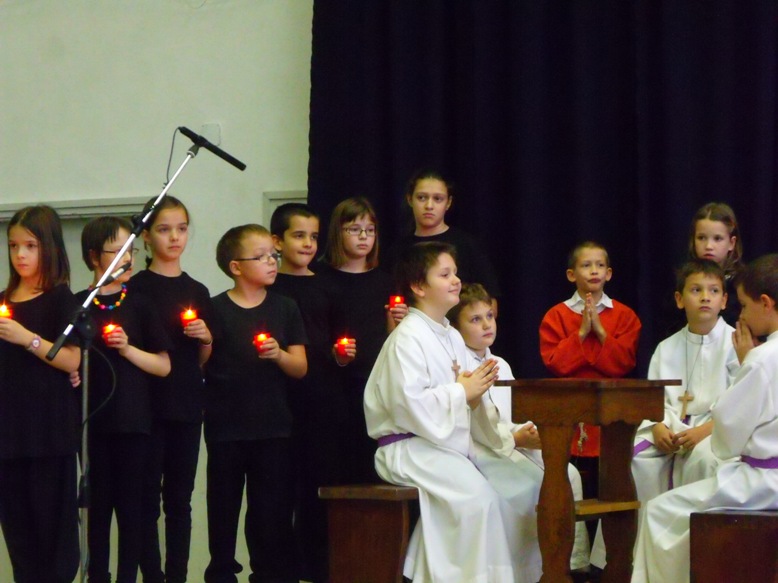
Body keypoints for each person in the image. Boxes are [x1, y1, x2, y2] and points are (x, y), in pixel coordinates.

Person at [364, 241, 542, 583]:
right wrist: (462, 391)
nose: (456, 280)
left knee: (507, 493)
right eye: (445, 274)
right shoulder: (407, 338)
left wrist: (479, 405)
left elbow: (469, 399)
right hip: (409, 446)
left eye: (455, 273)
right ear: (419, 286)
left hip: (442, 444)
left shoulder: (451, 336)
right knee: (478, 501)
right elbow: (408, 405)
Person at [632, 253, 778, 583]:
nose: (742, 314)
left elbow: (727, 441)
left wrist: (746, 363)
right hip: (764, 478)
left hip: (762, 483)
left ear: (766, 303)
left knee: (657, 511)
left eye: (744, 305)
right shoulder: (762, 355)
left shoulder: (761, 359)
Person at [591, 259, 740, 570]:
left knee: (705, 462)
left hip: (711, 432)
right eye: (696, 290)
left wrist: (702, 432)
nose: (705, 297)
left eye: (713, 291)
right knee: (634, 462)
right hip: (670, 429)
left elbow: (738, 404)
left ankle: (695, 562)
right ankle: (629, 560)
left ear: (725, 300)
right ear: (679, 299)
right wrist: (658, 425)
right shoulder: (666, 347)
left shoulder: (735, 345)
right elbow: (654, 401)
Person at [449, 282, 591, 576]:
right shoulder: (458, 367)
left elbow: (512, 413)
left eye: (489, 316)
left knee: (569, 475)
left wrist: (531, 433)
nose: (486, 325)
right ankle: (525, 571)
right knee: (531, 488)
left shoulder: (500, 363)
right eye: (475, 319)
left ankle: (569, 565)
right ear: (456, 327)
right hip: (482, 453)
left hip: (511, 445)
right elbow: (470, 423)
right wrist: (513, 438)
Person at [204, 224, 307, 583]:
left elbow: (300, 367)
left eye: (273, 255)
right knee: (223, 507)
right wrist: (203, 341)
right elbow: (201, 364)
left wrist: (278, 354)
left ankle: (268, 574)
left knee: (269, 512)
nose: (272, 262)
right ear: (236, 267)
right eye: (261, 257)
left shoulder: (285, 307)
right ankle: (221, 572)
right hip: (226, 427)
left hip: (273, 427)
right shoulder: (215, 309)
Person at [78, 216, 172, 583]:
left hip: (134, 424)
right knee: (97, 510)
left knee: (133, 512)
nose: (127, 259)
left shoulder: (141, 304)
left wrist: (128, 349)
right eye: (116, 252)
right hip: (91, 426)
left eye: (130, 251)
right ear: (94, 257)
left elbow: (164, 366)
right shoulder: (78, 306)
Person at [131, 196, 213, 583]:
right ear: (146, 236)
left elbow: (202, 360)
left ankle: (177, 577)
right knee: (145, 500)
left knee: (180, 500)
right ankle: (152, 576)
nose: (175, 237)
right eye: (164, 230)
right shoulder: (135, 289)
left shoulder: (197, 290)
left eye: (181, 229)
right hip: (145, 406)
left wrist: (206, 337)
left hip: (186, 404)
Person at [0, 205, 81, 583]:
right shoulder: (3, 300)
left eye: (30, 246)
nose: (20, 255)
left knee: (55, 537)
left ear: (48, 247)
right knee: (20, 539)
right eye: (13, 245)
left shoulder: (60, 298)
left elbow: (71, 359)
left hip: (49, 435)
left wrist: (26, 338)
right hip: (8, 437)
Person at [270, 202, 343, 582]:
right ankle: (280, 571)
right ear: (276, 241)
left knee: (317, 488)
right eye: (299, 235)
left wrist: (341, 354)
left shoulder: (326, 284)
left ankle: (317, 570)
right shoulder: (269, 287)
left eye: (314, 236)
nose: (308, 244)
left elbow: (336, 339)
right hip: (278, 399)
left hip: (321, 399)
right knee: (278, 492)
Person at [539, 241, 641, 493]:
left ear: (609, 273)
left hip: (611, 410)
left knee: (611, 484)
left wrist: (601, 332)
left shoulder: (625, 315)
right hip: (569, 410)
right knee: (571, 482)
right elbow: (556, 363)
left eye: (600, 265)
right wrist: (582, 332)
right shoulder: (556, 316)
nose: (594, 271)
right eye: (586, 265)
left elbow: (624, 363)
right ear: (571, 275)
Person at [318, 196, 407, 483]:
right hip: (335, 386)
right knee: (338, 463)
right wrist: (336, 355)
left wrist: (398, 323)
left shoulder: (385, 281)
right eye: (354, 230)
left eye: (370, 230)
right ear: (338, 232)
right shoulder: (321, 278)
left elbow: (391, 336)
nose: (364, 237)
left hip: (375, 381)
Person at [385, 169, 502, 302]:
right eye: (421, 197)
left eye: (437, 199)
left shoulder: (467, 246)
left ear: (448, 203)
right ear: (410, 199)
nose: (429, 206)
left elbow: (490, 301)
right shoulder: (397, 250)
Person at [687, 202, 744, 326]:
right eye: (701, 238)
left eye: (717, 238)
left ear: (731, 243)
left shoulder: (742, 284)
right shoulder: (685, 280)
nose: (708, 246)